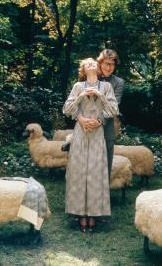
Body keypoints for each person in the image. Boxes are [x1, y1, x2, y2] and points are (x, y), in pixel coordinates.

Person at [63, 58, 119, 233]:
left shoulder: (106, 87)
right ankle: (80, 215)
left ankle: (93, 215)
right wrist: (80, 117)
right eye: (87, 64)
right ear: (83, 70)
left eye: (93, 63)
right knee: (79, 172)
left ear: (98, 67)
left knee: (95, 172)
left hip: (97, 133)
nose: (91, 65)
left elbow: (113, 110)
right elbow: (67, 109)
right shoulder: (77, 86)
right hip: (80, 132)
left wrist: (99, 120)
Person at [77, 49, 124, 180]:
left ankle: (103, 199)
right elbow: (77, 102)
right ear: (100, 63)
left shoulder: (118, 83)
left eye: (112, 64)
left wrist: (99, 121)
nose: (109, 67)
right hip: (84, 129)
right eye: (106, 63)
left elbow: (115, 106)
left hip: (106, 129)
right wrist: (80, 118)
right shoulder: (88, 74)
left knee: (104, 170)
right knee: (84, 168)